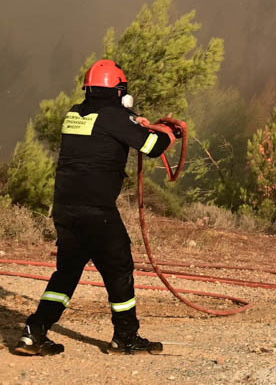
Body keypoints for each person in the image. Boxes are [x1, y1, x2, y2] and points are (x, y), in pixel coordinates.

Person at [15, 59, 178, 356]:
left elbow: (109, 127)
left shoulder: (75, 114)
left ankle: (34, 332)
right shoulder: (115, 116)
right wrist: (170, 132)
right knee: (119, 269)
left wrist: (134, 120)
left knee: (66, 272)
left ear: (89, 89)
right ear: (119, 90)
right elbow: (153, 147)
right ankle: (126, 337)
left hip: (66, 208)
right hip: (97, 211)